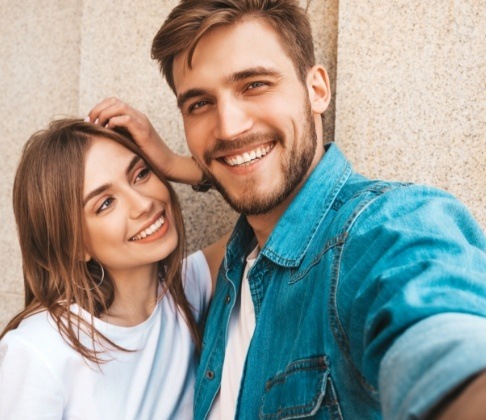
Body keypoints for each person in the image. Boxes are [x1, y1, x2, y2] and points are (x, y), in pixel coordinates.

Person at [87, 1, 486, 419]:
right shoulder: (231, 267)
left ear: (316, 90)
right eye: (200, 104)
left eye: (254, 85)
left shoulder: (385, 226)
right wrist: (184, 166)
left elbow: (446, 344)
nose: (228, 127)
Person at [0, 119, 226, 419]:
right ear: (73, 246)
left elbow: (270, 212)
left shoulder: (185, 288)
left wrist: (176, 164)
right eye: (105, 203)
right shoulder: (39, 350)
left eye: (141, 173)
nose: (143, 203)